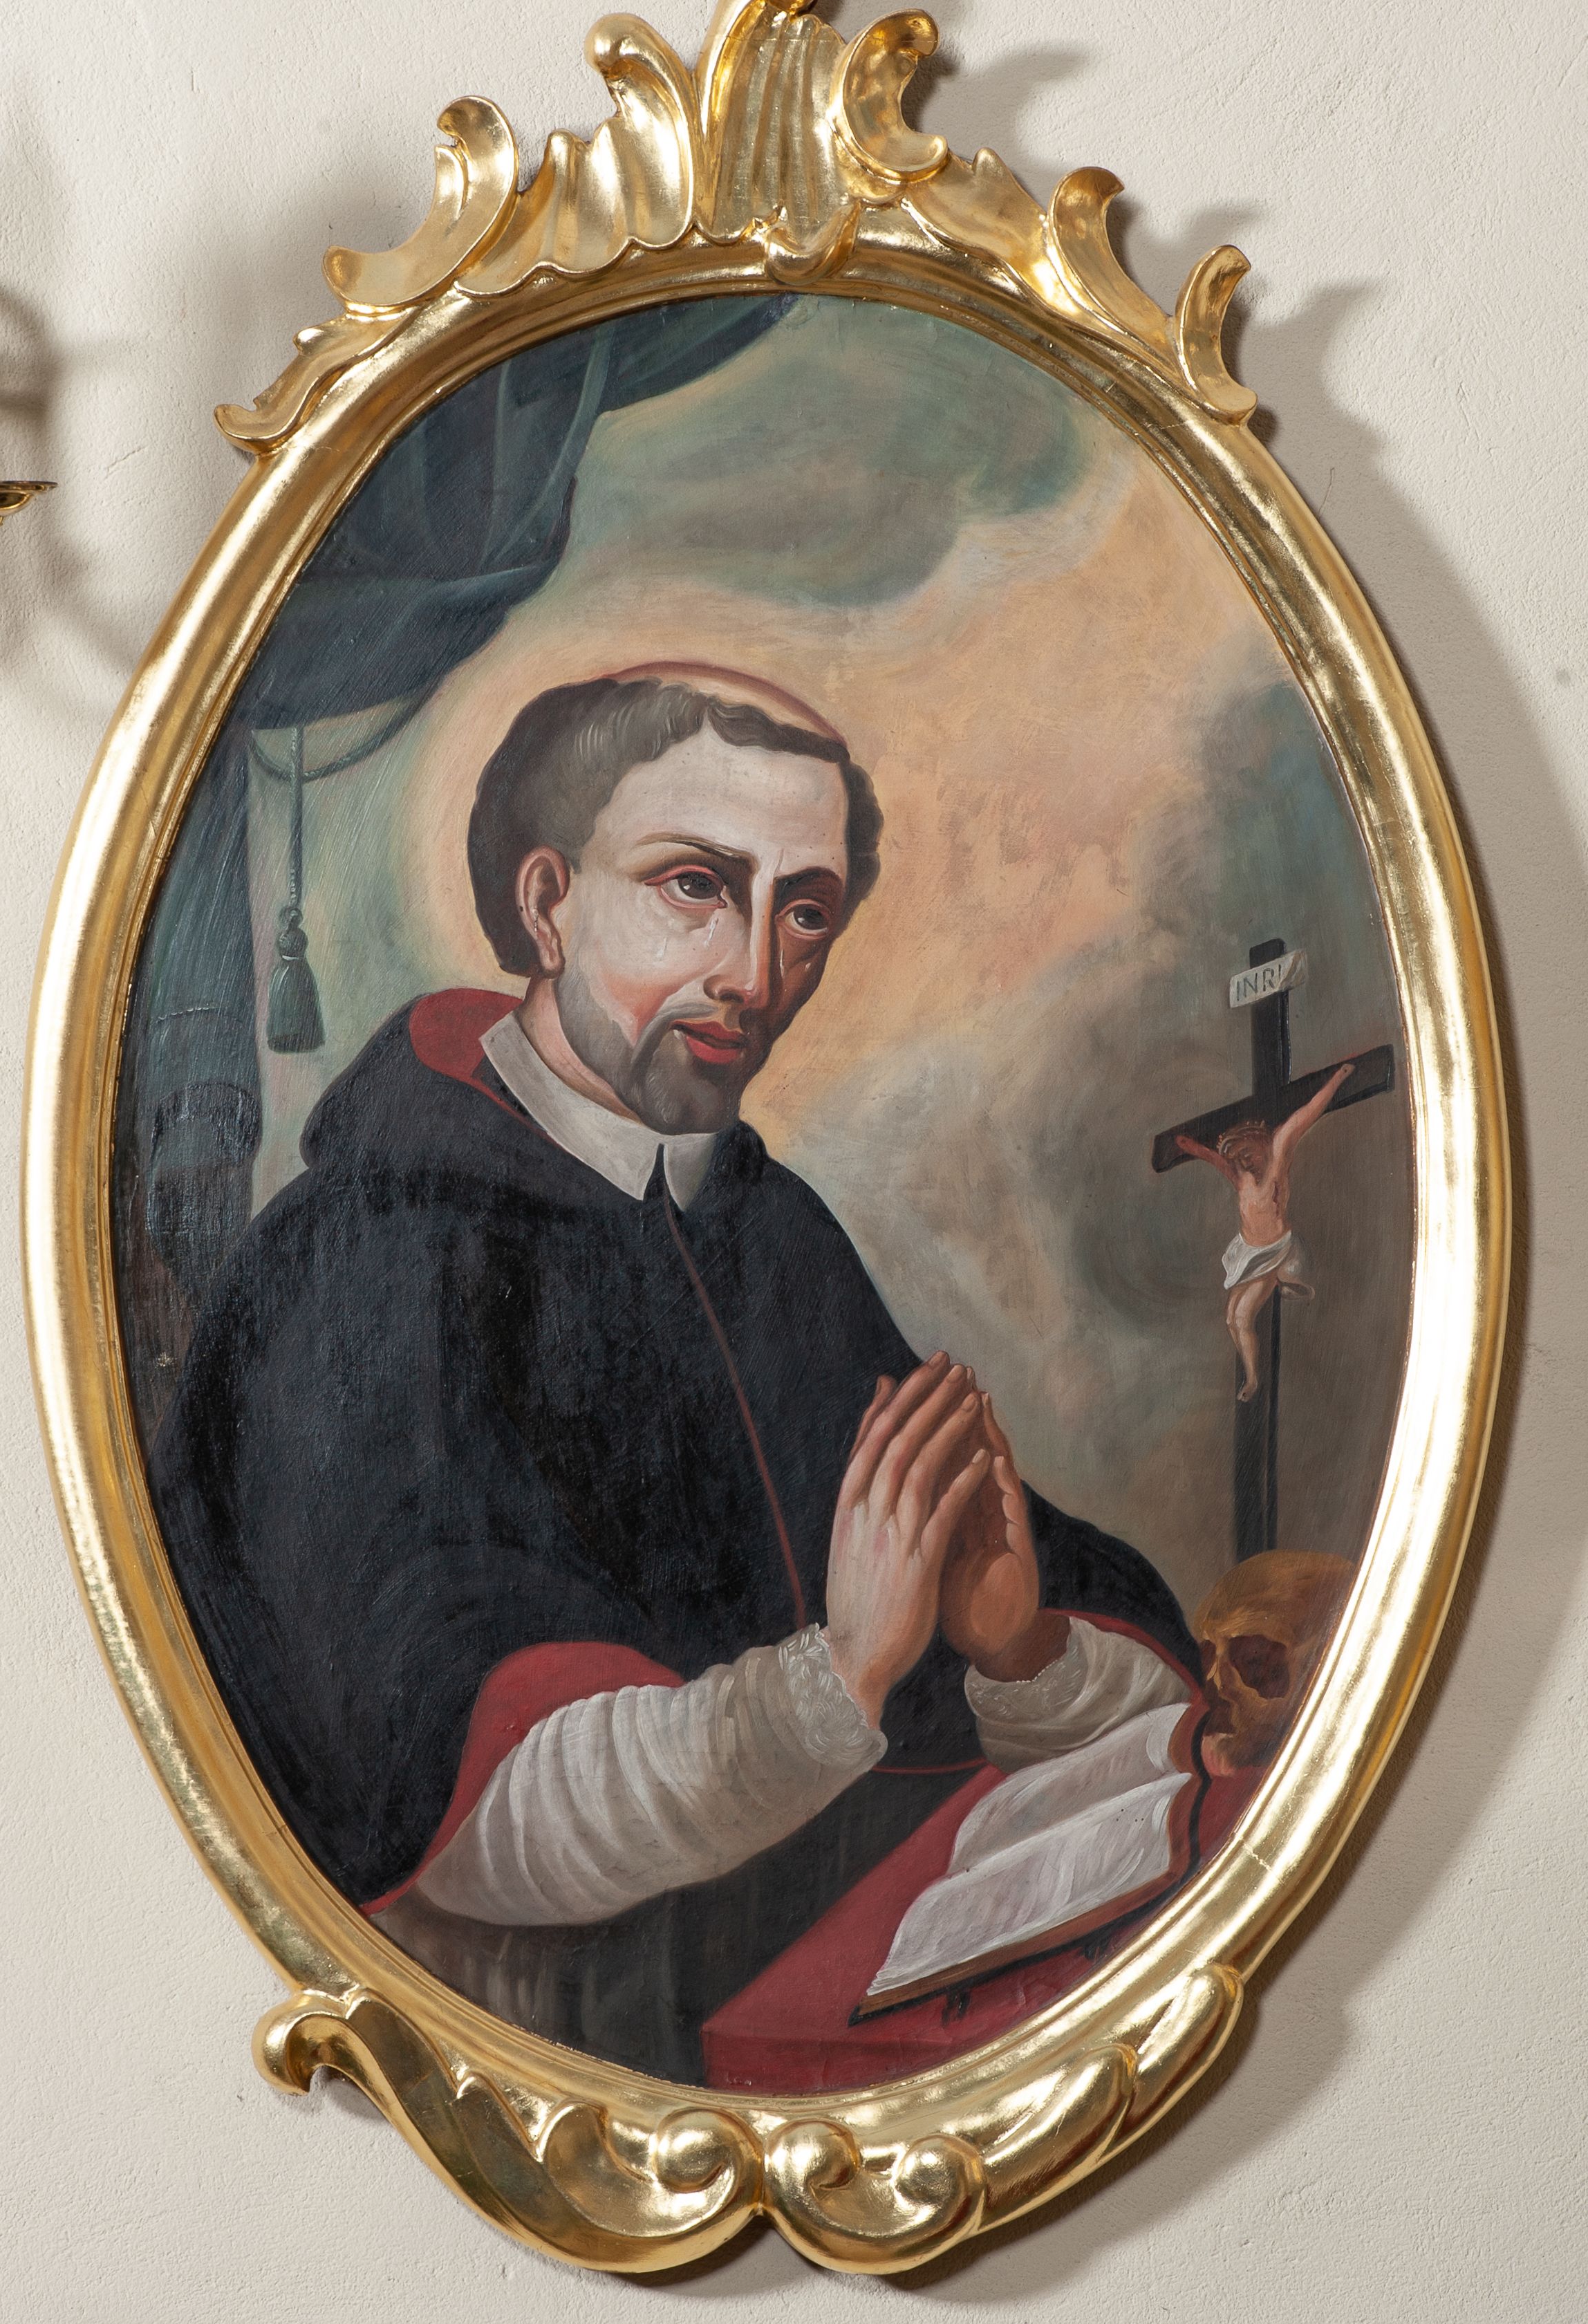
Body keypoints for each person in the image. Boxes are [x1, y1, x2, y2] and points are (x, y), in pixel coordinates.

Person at [151, 664, 1198, 2080]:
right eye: (695, 885)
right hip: (566, 2035)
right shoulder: (363, 1258)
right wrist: (843, 1673)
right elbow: (451, 1803)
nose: (756, 975)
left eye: (804, 908)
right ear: (546, 902)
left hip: (832, 1945)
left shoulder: (767, 1228)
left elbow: (994, 1596)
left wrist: (1019, 1649)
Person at [1177, 1059, 1354, 1400]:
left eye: (1247, 1155)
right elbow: (1219, 1162)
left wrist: (1338, 1078)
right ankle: (1252, 1368)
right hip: (1247, 1251)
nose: (1244, 1163)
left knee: (1243, 1317)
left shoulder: (1277, 1156)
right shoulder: (1243, 1176)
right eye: (1240, 1160)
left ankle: (1252, 1379)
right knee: (1231, 1319)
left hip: (1272, 1252)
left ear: (1260, 1143)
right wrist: (1192, 1148)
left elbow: (1306, 1115)